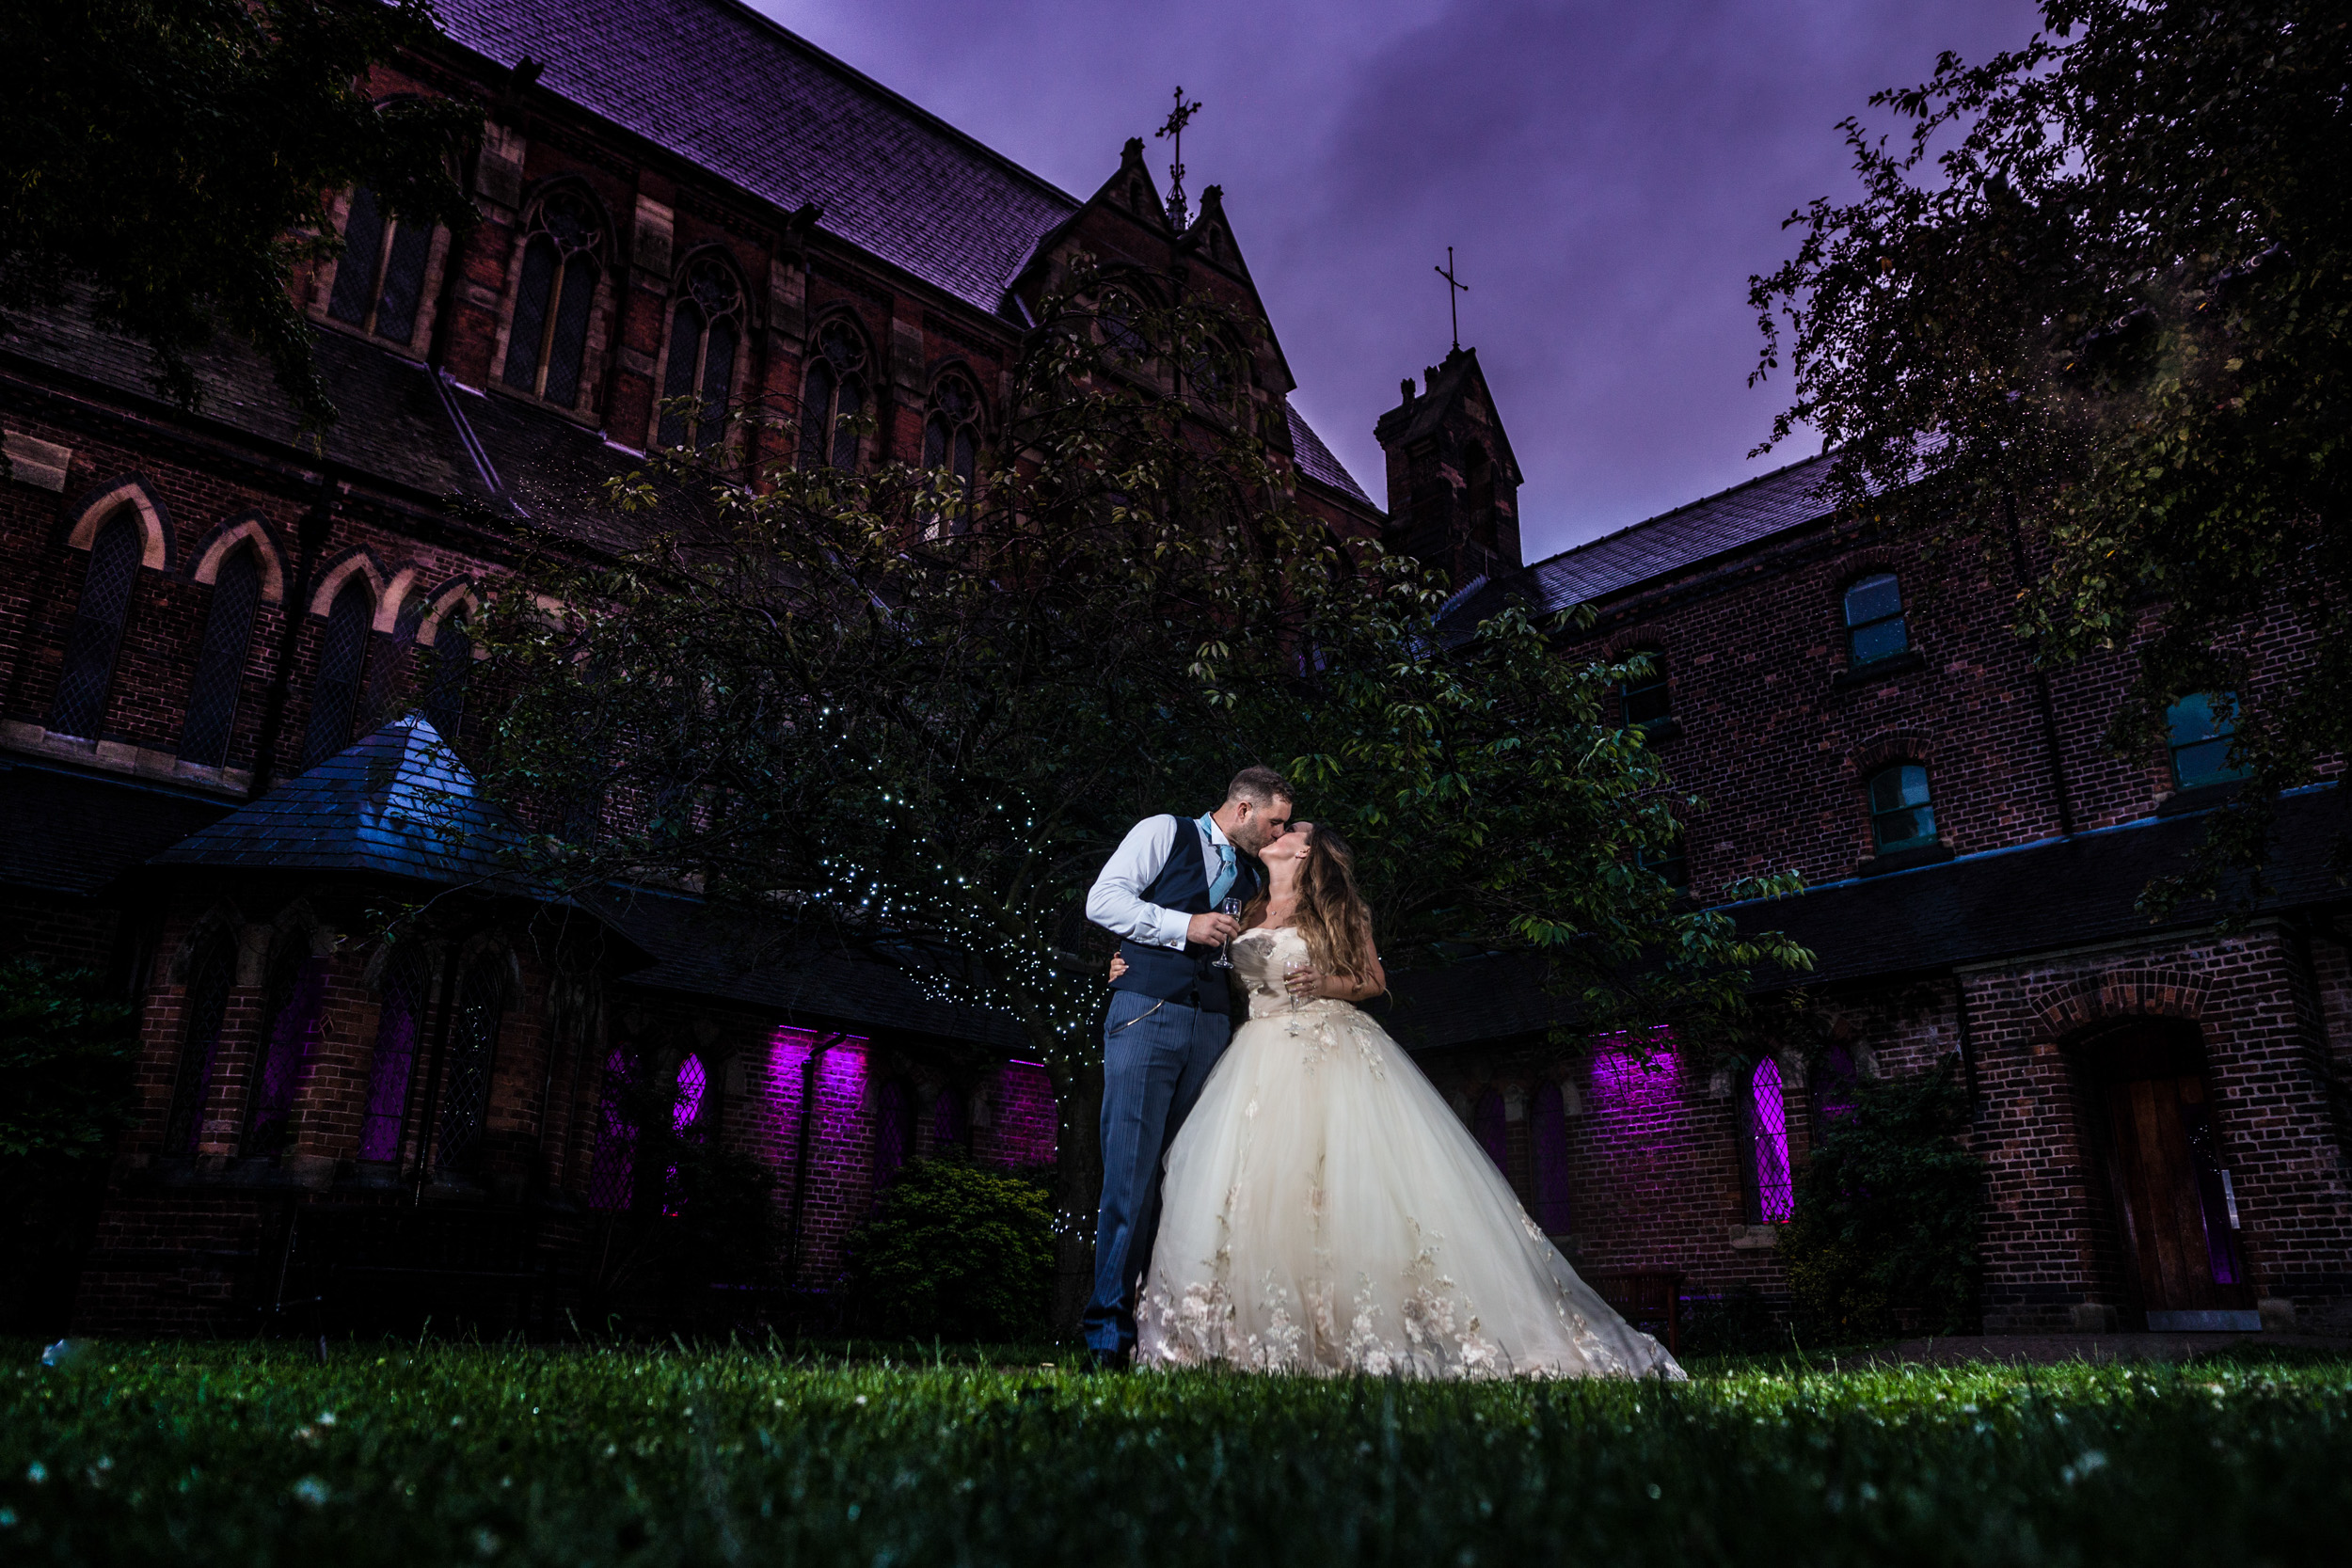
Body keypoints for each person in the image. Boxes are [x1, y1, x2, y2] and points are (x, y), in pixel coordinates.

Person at [1119, 823, 1684, 1380]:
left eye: (1293, 828)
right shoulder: (1246, 906)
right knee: (1254, 1189)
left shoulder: (1338, 911)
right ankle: (1248, 1333)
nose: (1280, 830)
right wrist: (1124, 965)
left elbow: (1371, 979)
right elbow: (1205, 967)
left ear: (1307, 850)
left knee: (1345, 1189)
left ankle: (1362, 1326)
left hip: (1327, 1047)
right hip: (1255, 1057)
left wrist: (1325, 984)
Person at [1080, 765, 1295, 1369]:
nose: (1279, 834)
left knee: (1191, 1183)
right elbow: (1103, 900)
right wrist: (1182, 927)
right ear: (1244, 809)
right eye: (1274, 821)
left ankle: (1169, 1334)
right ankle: (1107, 1336)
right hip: (1147, 1014)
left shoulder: (1255, 873)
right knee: (1130, 1178)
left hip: (1212, 1028)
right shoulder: (1163, 832)